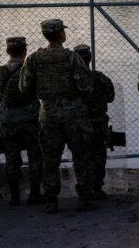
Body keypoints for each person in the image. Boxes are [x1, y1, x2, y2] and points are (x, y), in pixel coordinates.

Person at [18, 19, 96, 213]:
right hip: (74, 115)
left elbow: (24, 87)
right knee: (81, 156)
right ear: (61, 34)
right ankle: (84, 198)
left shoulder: (33, 59)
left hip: (49, 114)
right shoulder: (72, 58)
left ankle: (51, 200)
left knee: (50, 158)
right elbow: (86, 87)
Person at [0, 36, 42, 206]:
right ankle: (34, 194)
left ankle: (14, 197)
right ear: (25, 51)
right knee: (35, 157)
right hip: (31, 122)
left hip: (9, 123)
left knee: (12, 159)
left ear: (7, 51)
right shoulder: (32, 72)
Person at [72, 44, 115, 200]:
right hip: (98, 122)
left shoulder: (70, 81)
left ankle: (83, 190)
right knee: (99, 155)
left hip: (78, 123)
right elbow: (110, 97)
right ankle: (97, 188)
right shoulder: (100, 77)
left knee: (81, 156)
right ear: (89, 58)